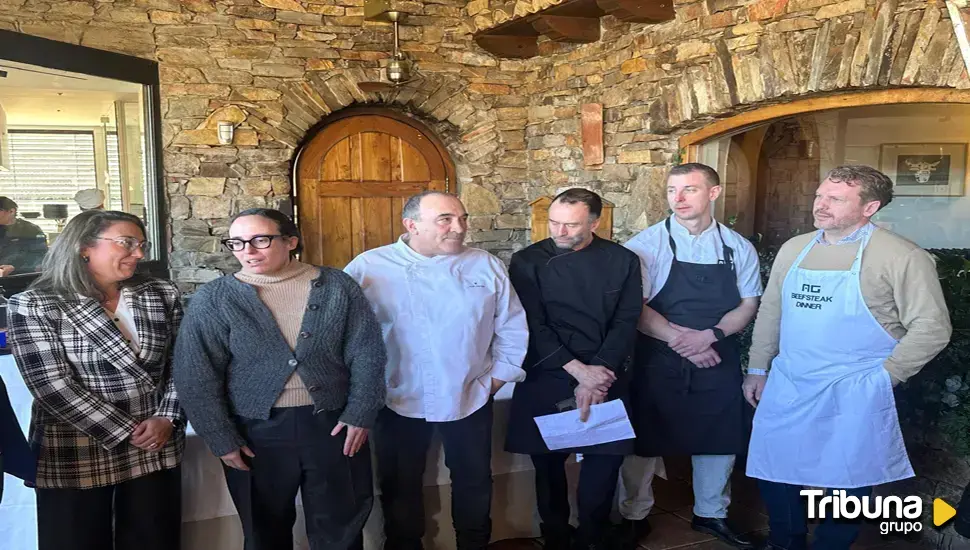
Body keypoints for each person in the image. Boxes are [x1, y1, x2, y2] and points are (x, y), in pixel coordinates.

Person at [745, 165, 952, 550]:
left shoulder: (902, 256)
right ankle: (784, 541)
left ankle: (832, 544)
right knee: (774, 464)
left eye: (835, 199)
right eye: (820, 196)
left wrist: (887, 376)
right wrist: (758, 367)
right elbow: (772, 311)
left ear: (870, 207)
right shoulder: (795, 248)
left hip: (857, 383)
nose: (820, 206)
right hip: (791, 378)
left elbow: (932, 327)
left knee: (849, 475)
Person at [174, 208, 386, 550]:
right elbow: (195, 374)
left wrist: (361, 412)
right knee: (263, 531)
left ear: (290, 241)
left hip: (332, 426)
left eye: (260, 239)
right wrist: (220, 436)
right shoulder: (214, 300)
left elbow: (367, 351)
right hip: (255, 431)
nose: (248, 251)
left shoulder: (336, 286)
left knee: (341, 529)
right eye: (237, 243)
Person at [344, 191, 528, 550]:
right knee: (399, 484)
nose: (458, 228)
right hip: (395, 398)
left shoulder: (485, 265)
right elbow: (344, 334)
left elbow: (512, 326)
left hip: (470, 394)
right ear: (411, 225)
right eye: (445, 219)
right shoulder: (368, 267)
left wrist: (495, 380)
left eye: (462, 218)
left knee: (475, 481)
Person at [7, 210, 184, 550]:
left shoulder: (160, 292)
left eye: (141, 244)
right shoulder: (35, 304)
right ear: (84, 247)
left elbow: (184, 362)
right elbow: (52, 386)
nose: (139, 254)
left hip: (157, 443)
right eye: (127, 243)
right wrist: (128, 431)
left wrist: (167, 417)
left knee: (155, 540)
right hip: (76, 446)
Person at [619, 163, 763, 549]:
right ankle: (634, 515)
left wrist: (711, 335)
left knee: (719, 436)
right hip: (658, 356)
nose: (678, 199)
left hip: (717, 353)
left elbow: (749, 303)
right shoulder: (645, 245)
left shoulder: (737, 247)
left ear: (713, 194)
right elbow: (637, 307)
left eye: (689, 190)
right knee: (644, 439)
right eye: (671, 191)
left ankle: (711, 514)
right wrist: (683, 342)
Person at [505, 188, 642, 550]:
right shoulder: (526, 261)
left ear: (595, 223)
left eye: (571, 225)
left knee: (604, 465)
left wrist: (598, 373)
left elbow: (627, 321)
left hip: (605, 376)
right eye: (554, 223)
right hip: (547, 374)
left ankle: (592, 536)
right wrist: (579, 371)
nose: (559, 232)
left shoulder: (623, 260)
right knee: (548, 470)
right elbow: (532, 324)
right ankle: (555, 535)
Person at [0, 196, 48, 274]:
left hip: (20, 277)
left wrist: (15, 268)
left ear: (11, 211)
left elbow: (40, 257)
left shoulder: (31, 230)